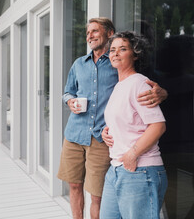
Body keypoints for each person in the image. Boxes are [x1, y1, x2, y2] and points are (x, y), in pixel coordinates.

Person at [57, 18, 168, 219]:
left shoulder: (124, 70)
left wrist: (162, 92)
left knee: (97, 196)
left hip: (112, 147)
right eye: (87, 32)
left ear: (109, 33)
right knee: (74, 185)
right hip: (78, 134)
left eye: (94, 31)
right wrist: (70, 101)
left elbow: (147, 90)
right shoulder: (82, 66)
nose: (89, 35)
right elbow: (68, 92)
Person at [100, 31, 168, 219]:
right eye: (112, 50)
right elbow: (126, 120)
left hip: (140, 169)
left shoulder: (139, 83)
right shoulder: (119, 86)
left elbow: (158, 125)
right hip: (116, 169)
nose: (115, 53)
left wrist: (132, 154)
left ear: (135, 54)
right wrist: (106, 131)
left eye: (123, 49)